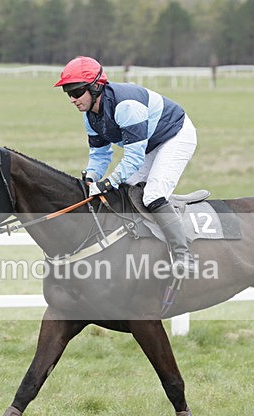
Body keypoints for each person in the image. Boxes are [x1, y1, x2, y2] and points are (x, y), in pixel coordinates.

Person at [54, 56, 198, 277]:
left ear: (95, 87)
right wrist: (91, 177)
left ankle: (184, 257)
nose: (72, 99)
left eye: (76, 92)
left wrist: (109, 181)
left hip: (175, 136)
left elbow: (134, 158)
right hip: (150, 143)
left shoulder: (126, 106)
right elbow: (99, 154)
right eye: (68, 93)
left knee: (153, 195)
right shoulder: (89, 116)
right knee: (126, 193)